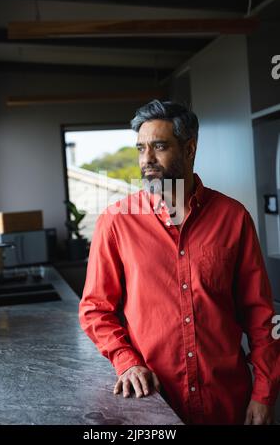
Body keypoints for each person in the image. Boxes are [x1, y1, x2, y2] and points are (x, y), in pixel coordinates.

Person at [79, 100, 279, 425]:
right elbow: (95, 309)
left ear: (189, 149)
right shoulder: (116, 222)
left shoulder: (233, 218)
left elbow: (260, 315)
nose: (147, 160)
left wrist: (264, 394)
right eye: (141, 149)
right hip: (154, 406)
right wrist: (126, 360)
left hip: (228, 403)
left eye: (159, 147)